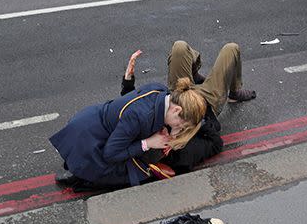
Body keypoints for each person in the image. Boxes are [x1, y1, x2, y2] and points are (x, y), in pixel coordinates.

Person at [120, 41, 256, 173]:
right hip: (207, 102)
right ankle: (234, 90)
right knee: (231, 49)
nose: (164, 133)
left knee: (180, 47)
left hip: (180, 93)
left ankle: (193, 75)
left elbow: (131, 109)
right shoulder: (184, 155)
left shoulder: (149, 130)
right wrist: (199, 118)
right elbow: (216, 143)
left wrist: (128, 81)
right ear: (166, 150)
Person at [50, 77, 206, 190]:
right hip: (90, 142)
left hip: (93, 122)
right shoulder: (139, 116)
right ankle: (84, 178)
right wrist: (148, 143)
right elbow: (110, 154)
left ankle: (77, 166)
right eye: (181, 125)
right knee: (133, 174)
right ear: (177, 110)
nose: (179, 129)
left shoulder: (161, 91)